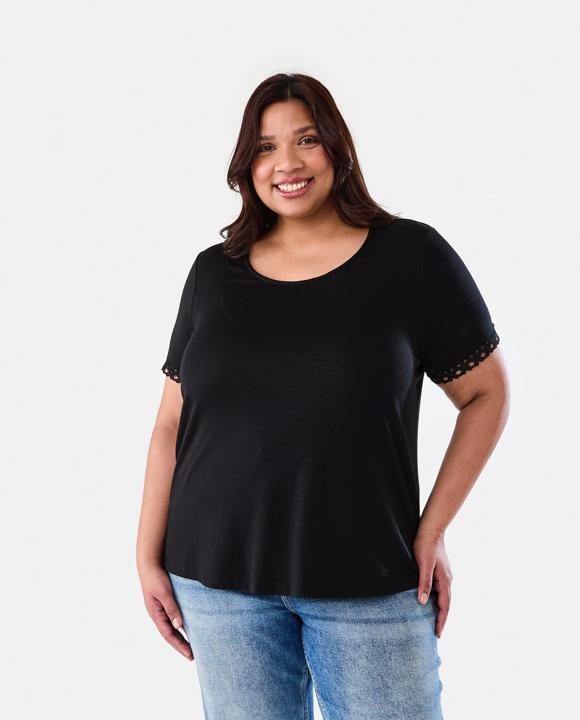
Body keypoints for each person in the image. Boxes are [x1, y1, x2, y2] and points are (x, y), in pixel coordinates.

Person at [136, 72, 510, 720]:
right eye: (265, 147)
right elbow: (172, 421)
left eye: (306, 140)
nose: (286, 162)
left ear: (337, 147)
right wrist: (147, 553)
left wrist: (433, 528)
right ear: (246, 164)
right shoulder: (213, 273)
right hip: (218, 584)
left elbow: (486, 394)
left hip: (368, 581)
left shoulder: (411, 257)